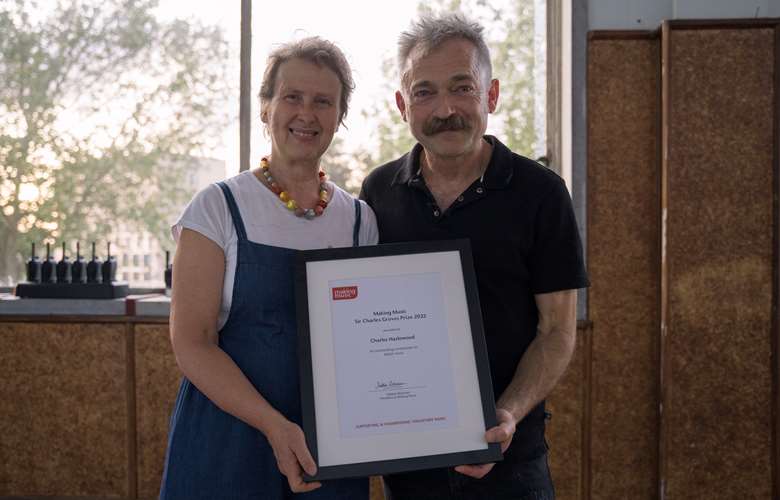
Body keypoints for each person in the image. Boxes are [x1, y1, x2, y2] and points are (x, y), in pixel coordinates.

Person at [360, 13, 589, 500]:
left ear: (492, 94)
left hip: (510, 458)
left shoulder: (542, 193)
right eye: (424, 92)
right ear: (403, 105)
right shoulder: (378, 192)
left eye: (462, 87)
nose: (445, 109)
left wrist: (506, 413)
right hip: (408, 459)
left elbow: (557, 331)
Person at [160, 37, 377, 499]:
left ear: (340, 117)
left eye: (324, 102)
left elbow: (367, 344)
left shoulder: (360, 220)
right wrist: (274, 426)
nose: (307, 113)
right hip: (228, 440)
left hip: (328, 451)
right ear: (266, 107)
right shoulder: (216, 208)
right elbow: (192, 343)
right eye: (292, 97)